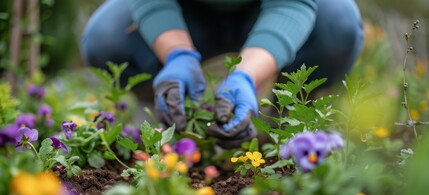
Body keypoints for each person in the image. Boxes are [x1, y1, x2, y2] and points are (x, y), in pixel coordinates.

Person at [80, 0, 364, 148]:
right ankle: (161, 110)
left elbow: (292, 3)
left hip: (268, 11)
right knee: (106, 37)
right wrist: (177, 54)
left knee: (338, 25)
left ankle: (288, 119)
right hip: (186, 11)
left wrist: (246, 76)